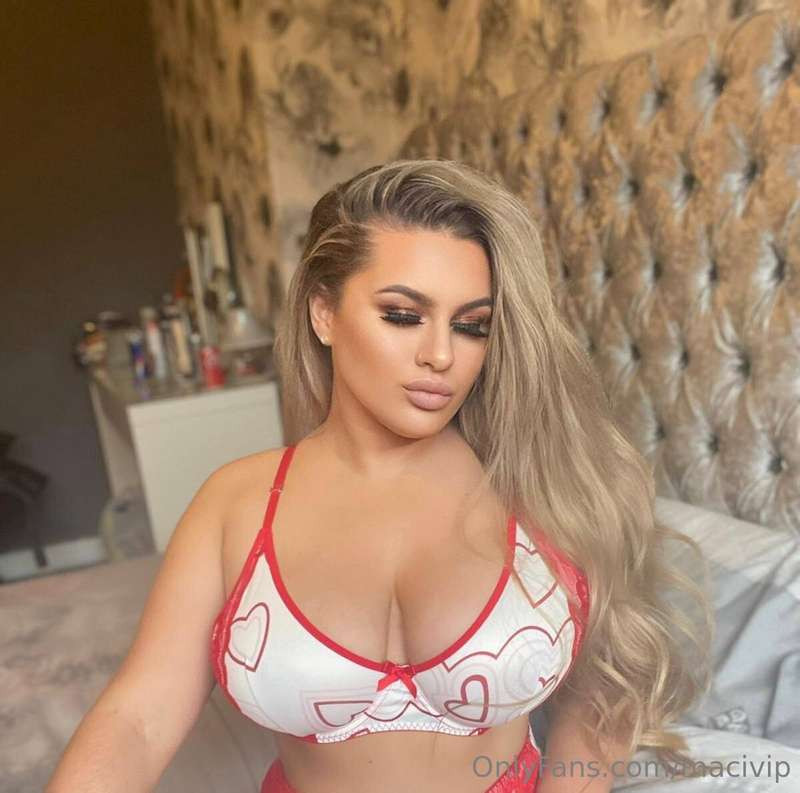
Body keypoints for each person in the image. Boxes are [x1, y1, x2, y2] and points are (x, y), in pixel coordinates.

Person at [45, 159, 712, 793]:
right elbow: (138, 719)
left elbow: (603, 691)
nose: (441, 354)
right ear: (323, 312)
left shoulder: (539, 486)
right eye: (402, 315)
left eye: (472, 326)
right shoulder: (236, 503)